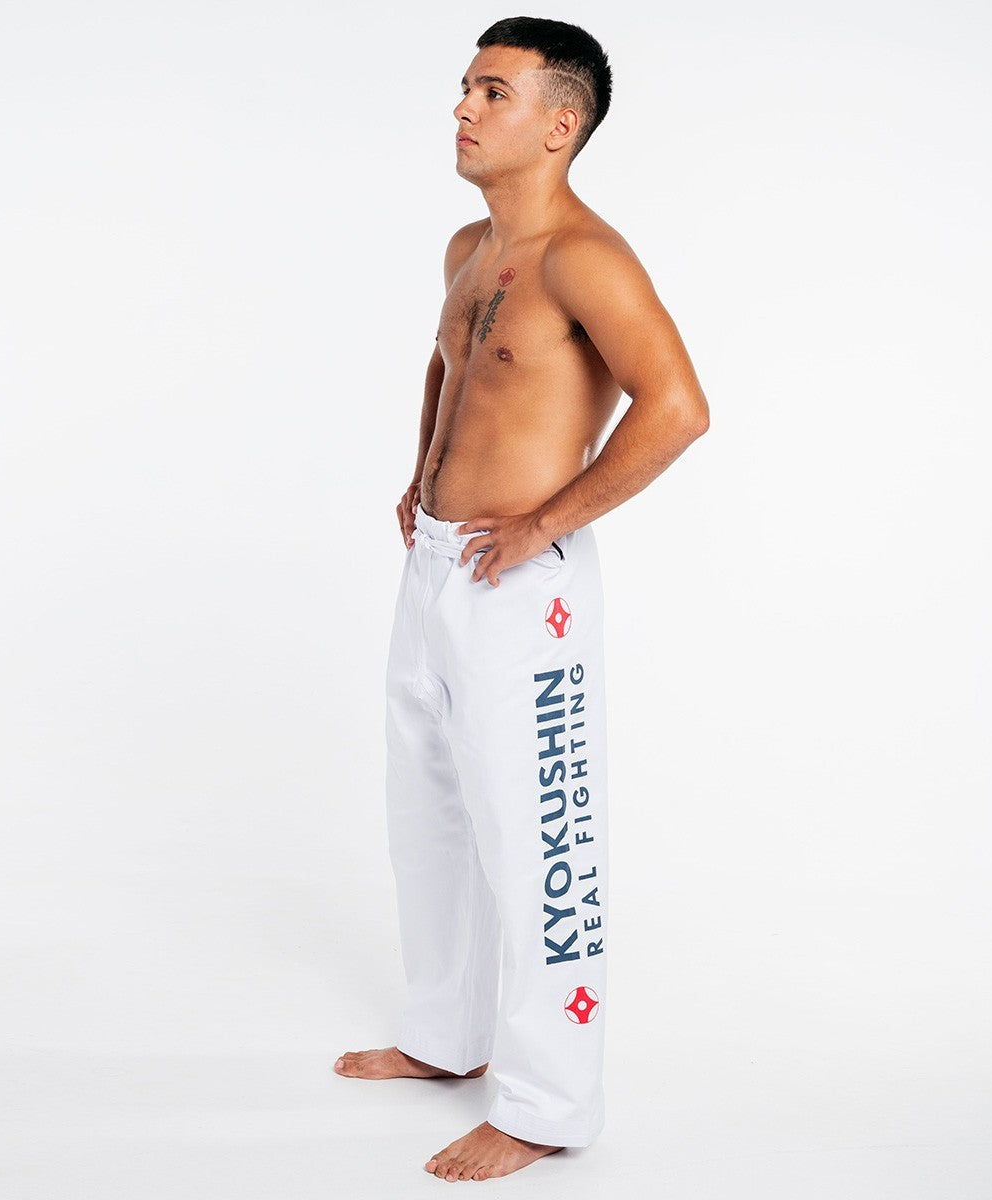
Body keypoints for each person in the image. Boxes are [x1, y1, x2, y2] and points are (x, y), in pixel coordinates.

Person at [334, 15, 709, 1183]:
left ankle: (548, 1105)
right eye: (464, 86)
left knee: (540, 833)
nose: (462, 107)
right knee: (429, 812)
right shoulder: (469, 245)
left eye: (492, 92)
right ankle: (446, 1038)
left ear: (559, 123)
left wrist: (546, 523)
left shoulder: (585, 258)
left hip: (522, 585)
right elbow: (451, 364)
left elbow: (678, 408)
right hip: (437, 563)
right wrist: (420, 475)